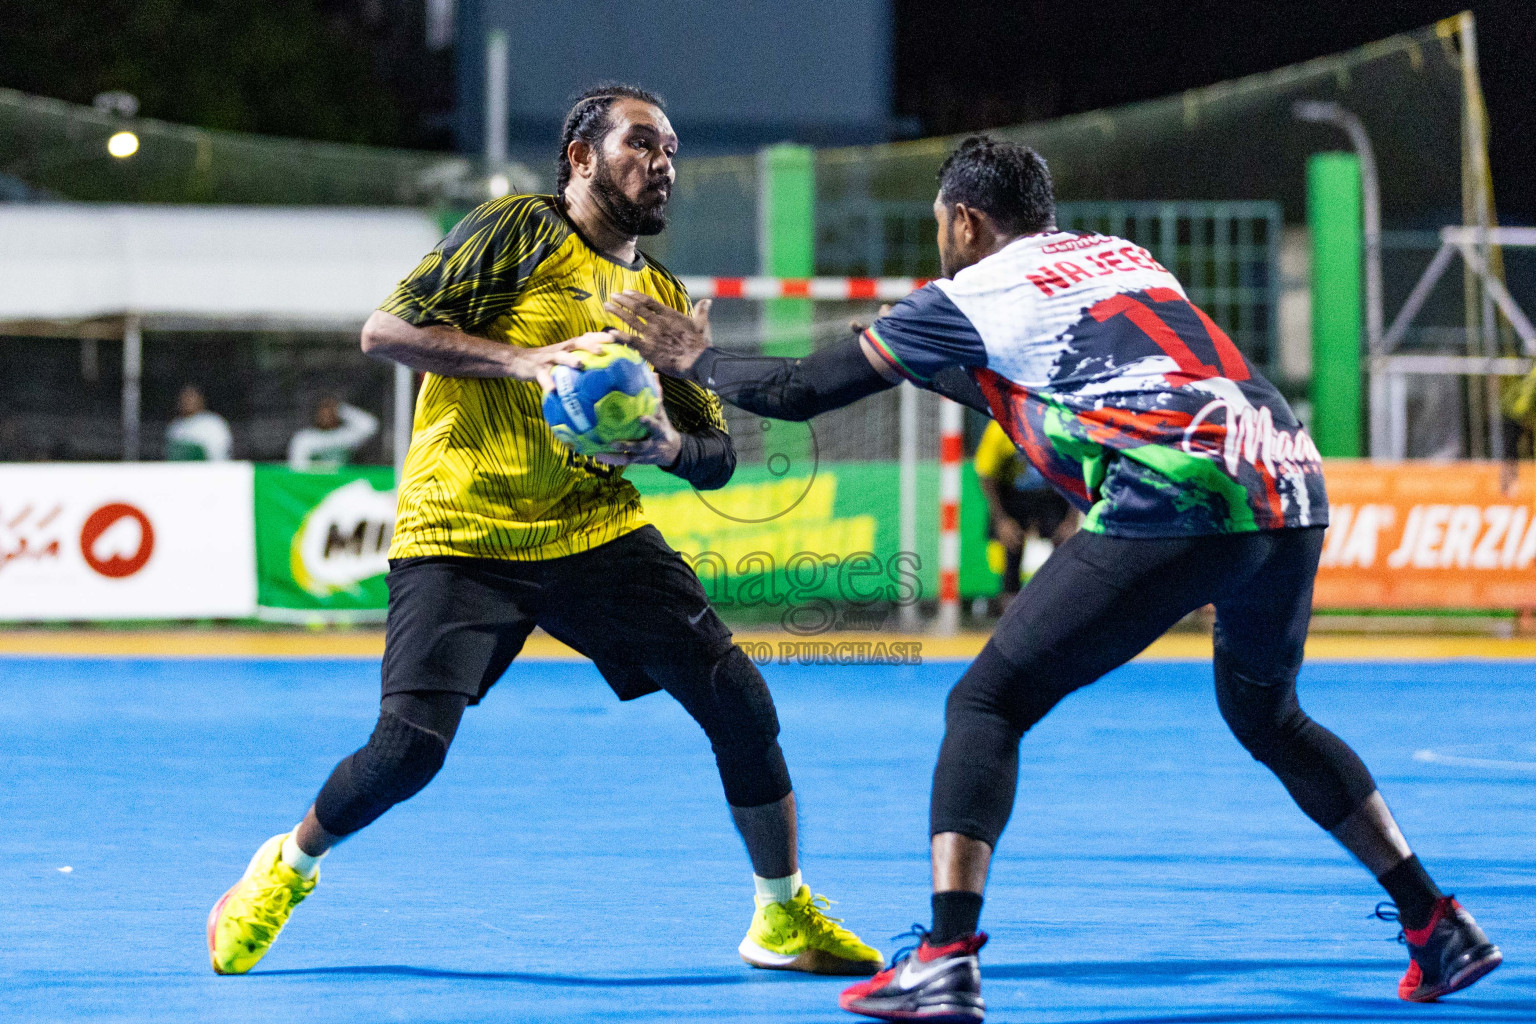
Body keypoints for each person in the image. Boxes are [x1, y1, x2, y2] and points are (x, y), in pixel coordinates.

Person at [608, 135, 1502, 1021]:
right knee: (1269, 715)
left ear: (963, 220)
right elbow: (1056, 374)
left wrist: (695, 360)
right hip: (1290, 481)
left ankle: (946, 959)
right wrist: (910, 359)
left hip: (1177, 491)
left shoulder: (968, 292)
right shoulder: (1120, 259)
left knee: (986, 704)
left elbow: (801, 391)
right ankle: (1437, 924)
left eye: (939, 227)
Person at [206, 84, 880, 980]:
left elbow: (717, 455)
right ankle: (286, 866)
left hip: (594, 535)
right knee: (408, 751)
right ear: (581, 158)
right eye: (642, 142)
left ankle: (782, 916)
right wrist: (525, 362)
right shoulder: (518, 230)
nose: (664, 161)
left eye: (672, 147)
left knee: (741, 703)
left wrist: (667, 445)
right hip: (464, 529)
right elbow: (387, 331)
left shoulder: (660, 296)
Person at [973, 419, 1075, 610]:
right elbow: (986, 474)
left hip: (1052, 494)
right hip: (1013, 495)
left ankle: (1061, 606)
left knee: (1064, 543)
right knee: (1012, 545)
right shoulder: (1000, 428)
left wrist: (1071, 520)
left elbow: (1078, 473)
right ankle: (1010, 607)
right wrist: (1001, 520)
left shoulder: (1060, 427)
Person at [287, 396, 379, 471]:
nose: (326, 416)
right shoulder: (304, 438)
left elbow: (370, 425)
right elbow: (297, 467)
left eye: (330, 413)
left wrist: (341, 409)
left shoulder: (344, 436)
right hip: (313, 482)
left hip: (340, 483)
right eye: (322, 412)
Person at [165, 385, 231, 461]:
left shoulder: (213, 423)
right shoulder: (175, 426)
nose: (187, 401)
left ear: (200, 400)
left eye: (191, 397)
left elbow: (220, 453)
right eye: (184, 397)